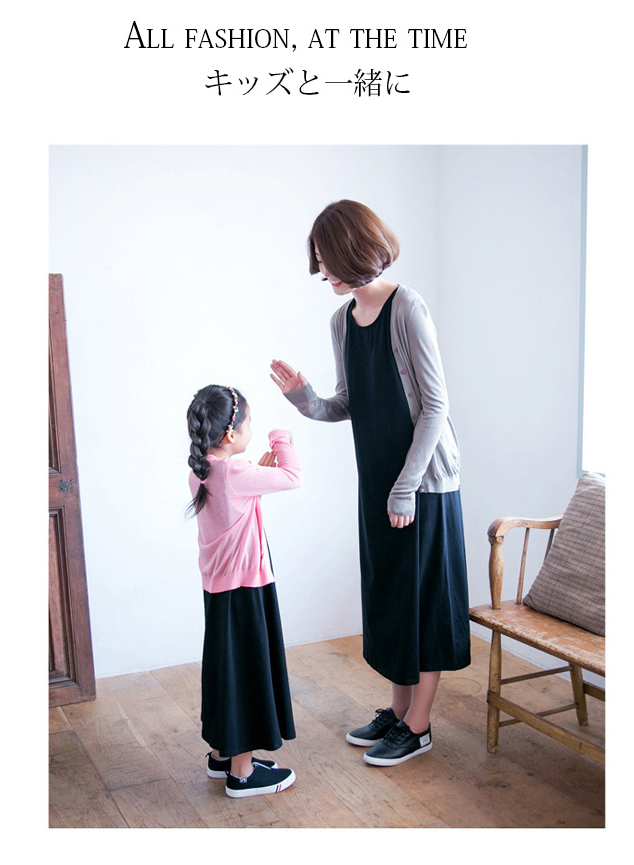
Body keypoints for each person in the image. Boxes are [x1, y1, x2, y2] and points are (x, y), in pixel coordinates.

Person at [271, 200, 470, 767]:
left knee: (423, 604)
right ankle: (399, 711)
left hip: (422, 485)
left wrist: (405, 487)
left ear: (354, 250)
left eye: (327, 257)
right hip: (380, 482)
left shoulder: (408, 307)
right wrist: (304, 399)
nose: (321, 269)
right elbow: (346, 403)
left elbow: (435, 407)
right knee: (391, 599)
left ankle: (419, 725)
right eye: (318, 259)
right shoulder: (341, 321)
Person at [186, 384, 302, 797]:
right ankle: (243, 772)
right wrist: (281, 438)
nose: (252, 429)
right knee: (248, 672)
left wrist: (255, 471)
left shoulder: (202, 471)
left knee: (226, 668)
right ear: (231, 434)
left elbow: (236, 499)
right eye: (249, 423)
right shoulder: (235, 473)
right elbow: (294, 476)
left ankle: (222, 754)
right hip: (246, 588)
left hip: (219, 590)